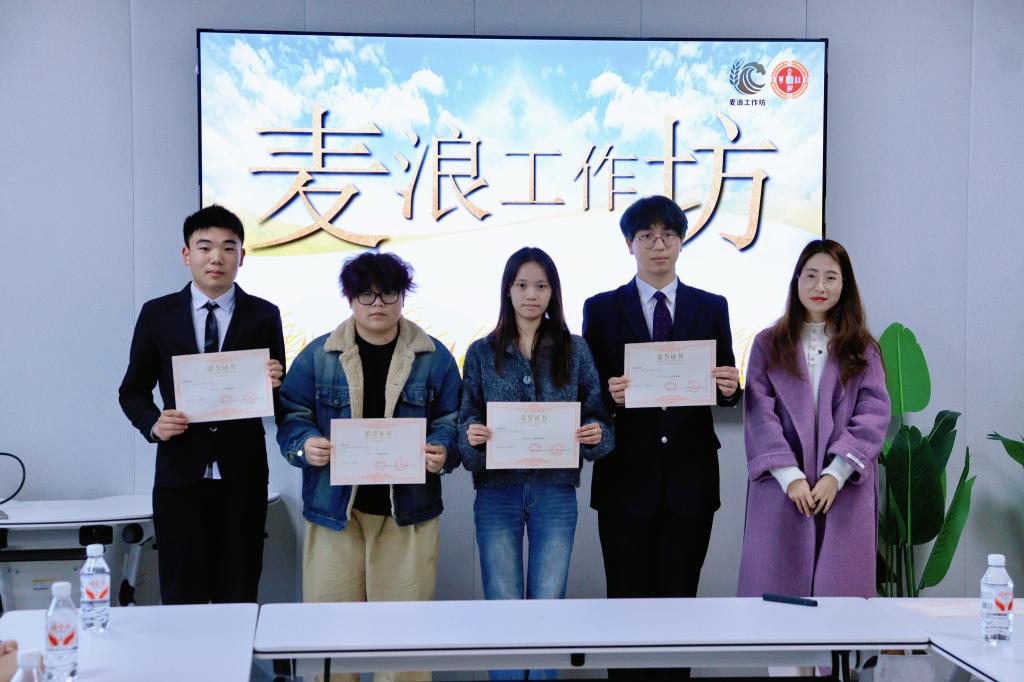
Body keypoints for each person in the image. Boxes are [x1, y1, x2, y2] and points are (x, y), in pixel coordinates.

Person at [276, 251, 461, 682]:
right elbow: (292, 415)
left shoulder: (434, 357)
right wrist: (305, 445)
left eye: (388, 294)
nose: (378, 303)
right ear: (350, 298)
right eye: (366, 294)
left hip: (407, 515)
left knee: (403, 648)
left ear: (403, 297)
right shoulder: (318, 355)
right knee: (331, 643)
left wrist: (443, 448)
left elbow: (453, 418)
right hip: (336, 514)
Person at [582, 195, 740, 680]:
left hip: (690, 481)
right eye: (647, 236)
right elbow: (589, 395)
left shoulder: (711, 306)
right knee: (625, 609)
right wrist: (609, 395)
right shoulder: (601, 309)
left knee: (679, 609)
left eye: (668, 235)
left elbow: (726, 388)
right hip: (625, 480)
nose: (658, 245)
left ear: (681, 242)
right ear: (629, 244)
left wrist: (731, 389)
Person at [458, 247, 614, 681]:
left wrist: (595, 434)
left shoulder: (575, 349)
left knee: (548, 603)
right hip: (496, 492)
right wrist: (472, 435)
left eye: (541, 286)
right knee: (503, 603)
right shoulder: (481, 352)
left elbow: (599, 416)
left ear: (553, 292)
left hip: (554, 491)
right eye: (522, 285)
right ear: (507, 290)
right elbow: (466, 419)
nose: (532, 294)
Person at [118, 205, 285, 605]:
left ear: (242, 256)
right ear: (186, 254)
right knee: (181, 592)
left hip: (242, 476)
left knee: (239, 590)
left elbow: (277, 400)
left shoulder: (264, 315)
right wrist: (154, 424)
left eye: (229, 248)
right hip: (180, 475)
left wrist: (276, 382)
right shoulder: (157, 314)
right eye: (205, 247)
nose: (217, 258)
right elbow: (132, 390)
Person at [737, 239, 889, 605]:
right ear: (797, 281)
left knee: (840, 609)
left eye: (831, 277)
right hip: (782, 488)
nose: (820, 286)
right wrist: (790, 477)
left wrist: (836, 474)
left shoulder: (863, 348)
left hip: (844, 488)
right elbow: (759, 415)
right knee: (776, 607)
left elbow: (873, 414)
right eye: (811, 276)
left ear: (844, 285)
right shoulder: (768, 344)